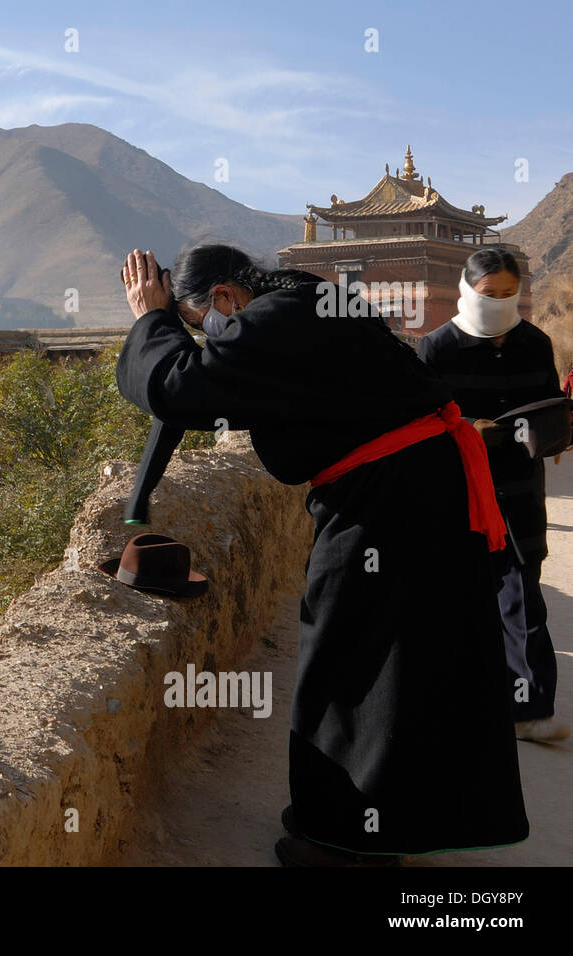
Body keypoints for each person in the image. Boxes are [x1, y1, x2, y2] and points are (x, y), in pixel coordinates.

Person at [117, 244, 528, 866]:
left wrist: (150, 318)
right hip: (415, 486)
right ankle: (397, 821)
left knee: (352, 657)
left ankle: (346, 843)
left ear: (226, 298)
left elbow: (183, 390)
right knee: (409, 659)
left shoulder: (278, 317)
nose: (214, 340)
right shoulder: (308, 302)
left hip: (391, 497)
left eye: (206, 325)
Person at [418, 249, 570, 743]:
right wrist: (464, 432)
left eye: (510, 294)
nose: (501, 302)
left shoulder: (535, 343)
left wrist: (558, 432)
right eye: (490, 294)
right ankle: (458, 705)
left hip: (520, 488)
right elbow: (419, 424)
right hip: (458, 490)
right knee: (457, 595)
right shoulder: (437, 348)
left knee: (523, 595)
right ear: (467, 290)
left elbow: (549, 403)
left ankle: (530, 710)